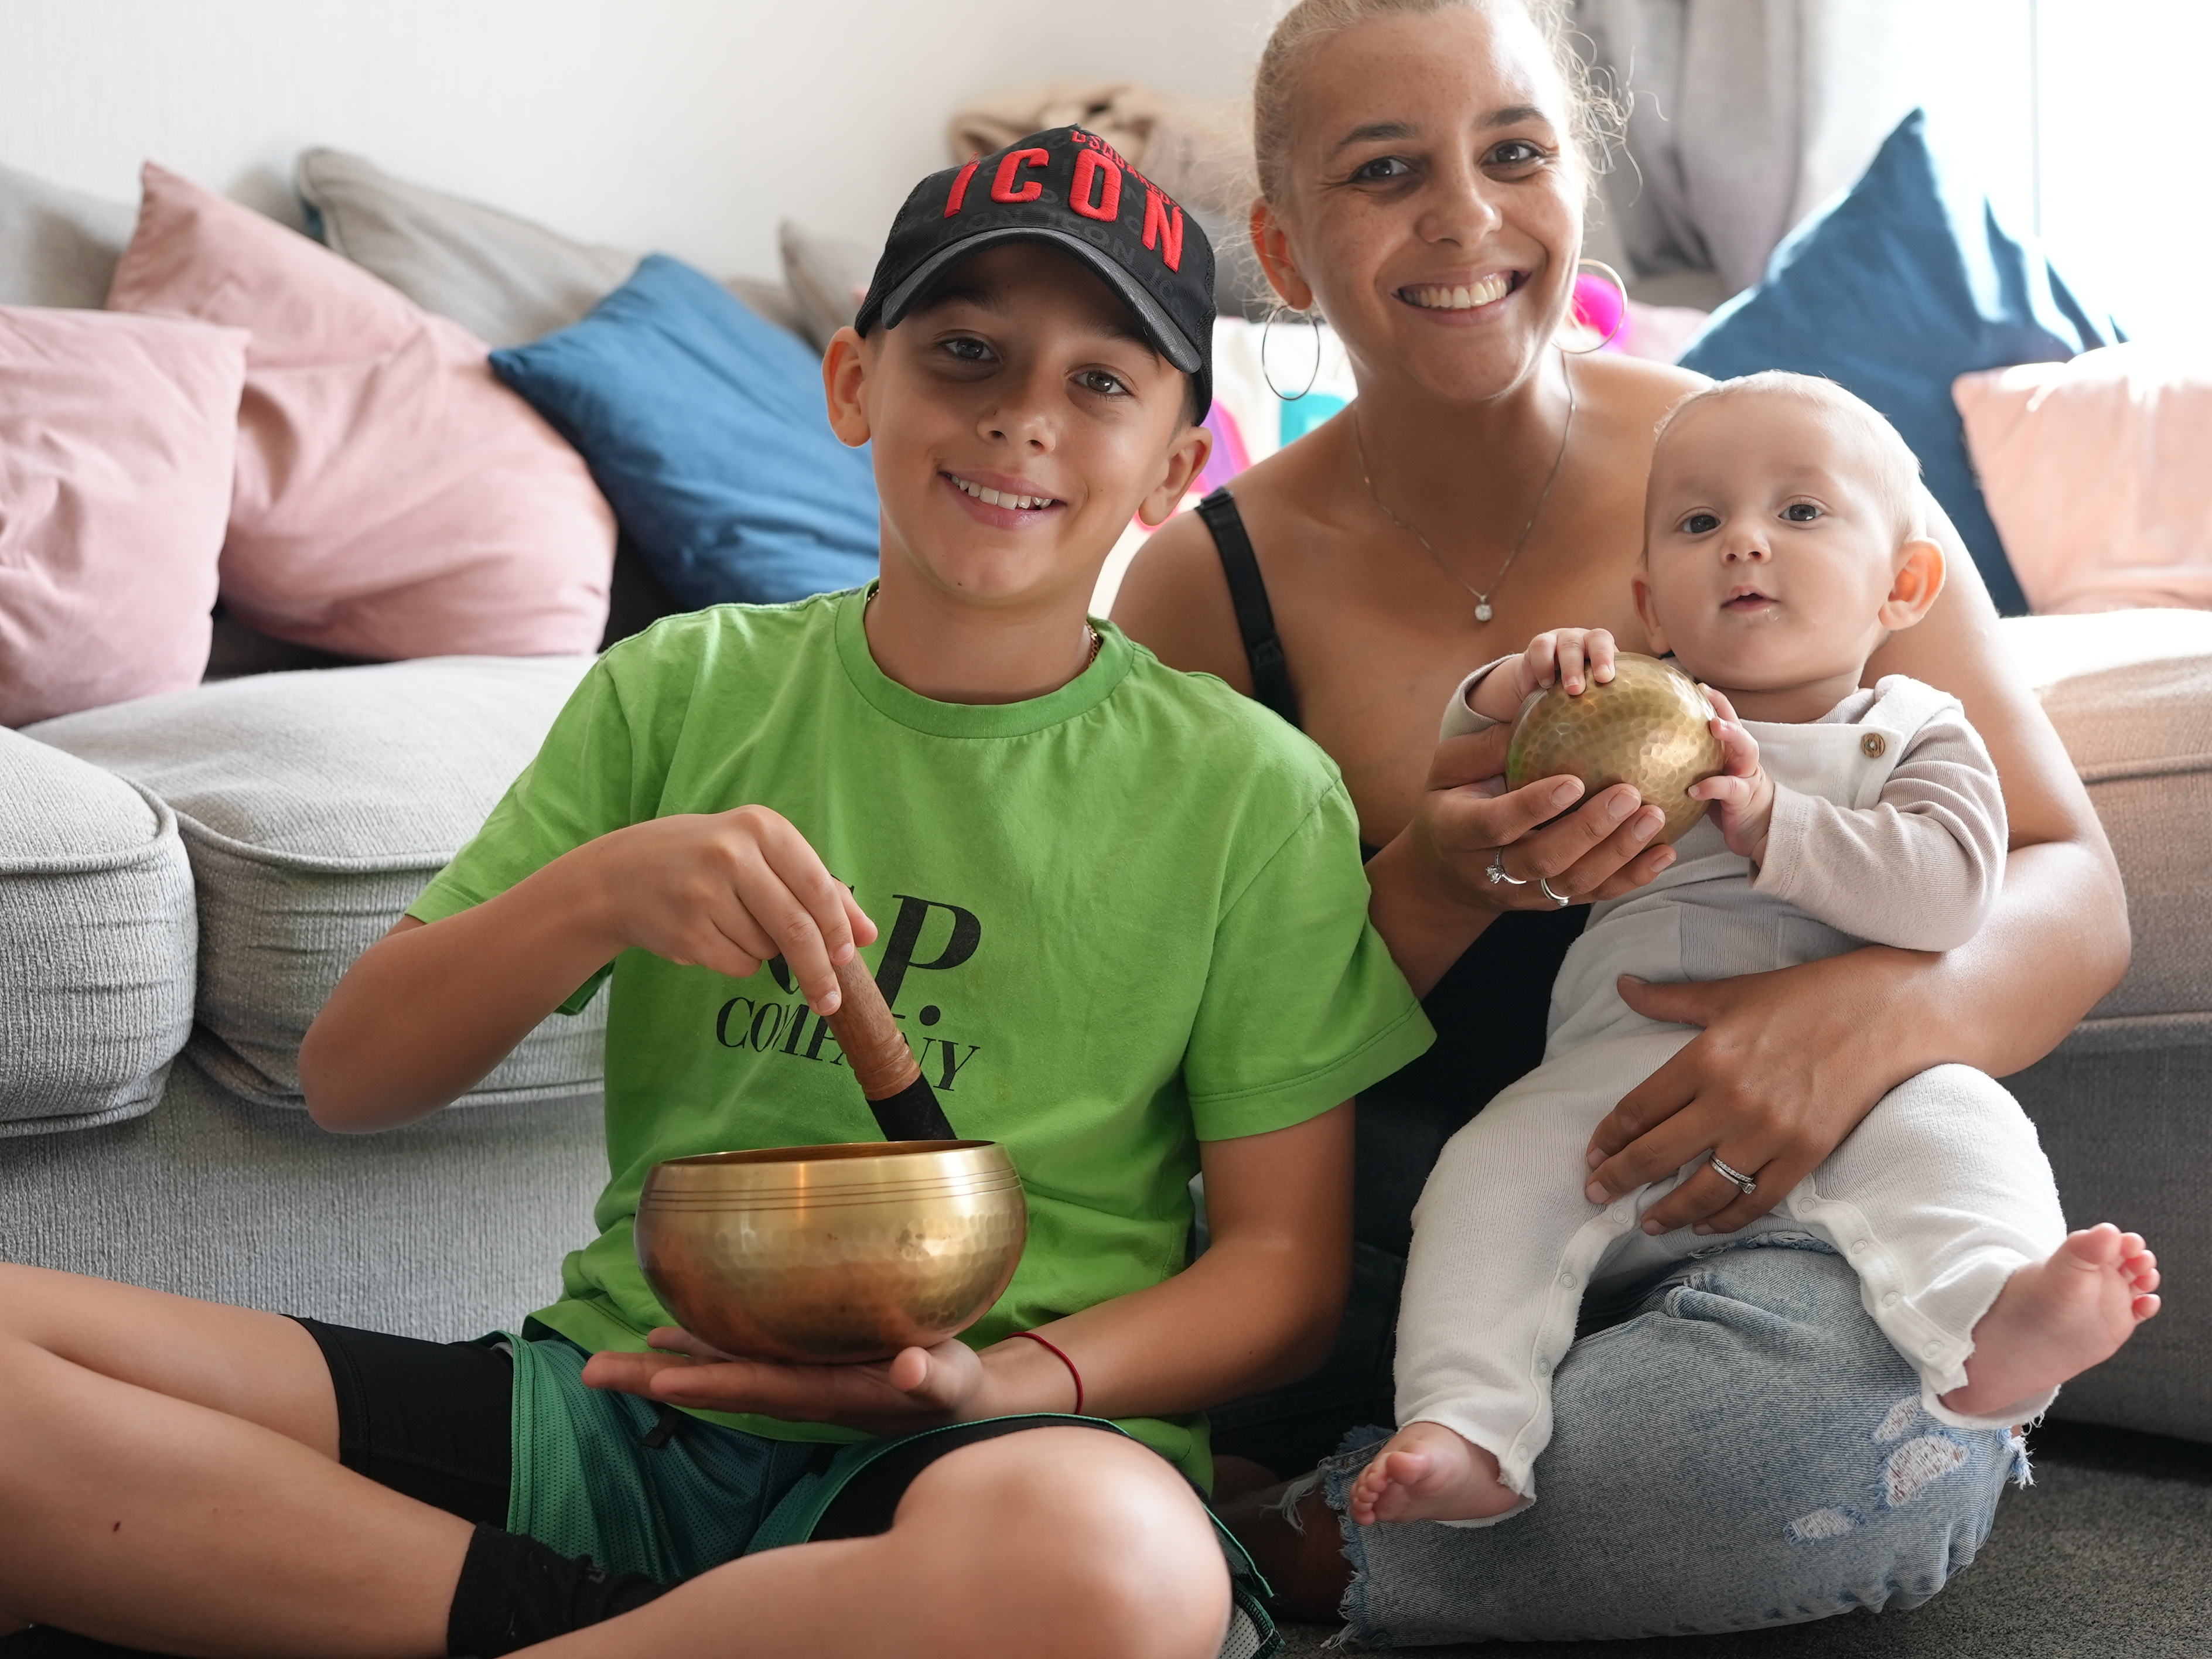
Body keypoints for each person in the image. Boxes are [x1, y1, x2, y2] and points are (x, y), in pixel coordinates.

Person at [0, 128, 1433, 1659]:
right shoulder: (683, 689)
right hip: (620, 1407)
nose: (1022, 420)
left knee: (1122, 1574)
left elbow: (1279, 1275)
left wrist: (1004, 1385)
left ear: (1175, 465)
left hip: (994, 1455)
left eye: (1099, 382)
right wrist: (600, 894)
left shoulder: (1249, 791)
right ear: (850, 385)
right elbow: (351, 1078)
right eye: (964, 351)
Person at [1112, 0, 2132, 1640]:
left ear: (1576, 181)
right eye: (1387, 173)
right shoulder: (1206, 583)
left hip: (1781, 1236)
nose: (1465, 215)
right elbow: (1169, 1040)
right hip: (1427, 1231)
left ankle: (1314, 1546)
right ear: (1286, 254)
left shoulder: (1772, 466)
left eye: (1514, 152)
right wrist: (1438, 890)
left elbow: (2071, 881)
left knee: (1799, 1442)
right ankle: (1424, 1461)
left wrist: (1863, 1021)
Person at [1351, 373, 2161, 1529]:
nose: (1742, 544)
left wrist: (1785, 827)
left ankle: (1995, 1322)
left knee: (1966, 1128)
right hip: (1616, 1082)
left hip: (1869, 1083)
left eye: (1799, 514)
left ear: (1904, 586)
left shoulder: (1906, 731)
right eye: (1697, 524)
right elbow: (1487, 771)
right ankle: (1465, 1423)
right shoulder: (1643, 713)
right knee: (1482, 1180)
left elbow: (1951, 896)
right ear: (1651, 603)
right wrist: (1512, 690)